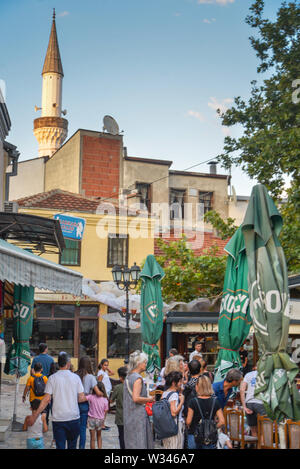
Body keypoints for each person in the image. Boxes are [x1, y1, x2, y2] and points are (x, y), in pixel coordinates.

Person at [27, 351, 86, 450]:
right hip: (73, 418)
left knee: (60, 446)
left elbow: (46, 400)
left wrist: (35, 415)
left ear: (58, 364)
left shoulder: (52, 379)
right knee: (72, 446)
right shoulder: (76, 378)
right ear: (68, 363)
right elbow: (81, 398)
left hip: (58, 419)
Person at [123, 350, 155, 449]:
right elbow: (136, 398)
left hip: (129, 414)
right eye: (145, 362)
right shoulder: (138, 378)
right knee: (140, 442)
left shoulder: (128, 376)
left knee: (131, 442)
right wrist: (149, 399)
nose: (146, 364)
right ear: (139, 363)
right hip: (138, 416)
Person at [186, 375, 225, 449]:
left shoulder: (193, 402)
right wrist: (213, 427)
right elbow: (222, 421)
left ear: (197, 386)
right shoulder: (215, 401)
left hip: (194, 434)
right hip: (209, 437)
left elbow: (188, 421)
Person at [76, 356, 103, 449]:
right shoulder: (91, 377)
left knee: (74, 428)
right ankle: (81, 447)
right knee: (83, 428)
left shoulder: (75, 375)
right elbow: (98, 392)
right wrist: (102, 394)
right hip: (84, 404)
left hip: (74, 404)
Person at [240, 366, 266, 437]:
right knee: (264, 431)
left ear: (255, 367)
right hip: (261, 403)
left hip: (249, 404)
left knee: (253, 431)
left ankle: (256, 446)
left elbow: (242, 390)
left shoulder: (248, 375)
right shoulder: (266, 374)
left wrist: (244, 406)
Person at [161, 371, 185, 449]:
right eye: (180, 381)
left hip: (165, 426)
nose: (181, 383)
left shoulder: (165, 393)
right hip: (174, 425)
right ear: (174, 383)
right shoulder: (174, 395)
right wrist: (181, 402)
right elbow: (174, 413)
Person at [85, 382, 109, 449]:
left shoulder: (91, 397)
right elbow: (106, 410)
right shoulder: (105, 399)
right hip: (100, 420)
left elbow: (82, 398)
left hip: (91, 419)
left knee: (92, 438)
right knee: (99, 436)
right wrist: (103, 421)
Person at [110, 366, 127, 449]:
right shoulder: (133, 387)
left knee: (121, 436)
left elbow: (111, 401)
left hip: (120, 416)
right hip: (131, 415)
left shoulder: (117, 388)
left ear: (120, 377)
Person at [97, 358, 114, 430]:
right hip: (104, 394)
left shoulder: (104, 372)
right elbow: (99, 383)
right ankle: (102, 424)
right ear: (101, 365)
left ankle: (103, 424)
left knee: (106, 409)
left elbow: (113, 373)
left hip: (107, 392)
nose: (106, 366)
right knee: (105, 409)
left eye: (107, 365)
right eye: (105, 365)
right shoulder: (100, 373)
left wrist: (107, 368)